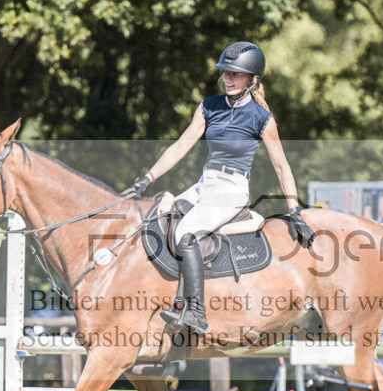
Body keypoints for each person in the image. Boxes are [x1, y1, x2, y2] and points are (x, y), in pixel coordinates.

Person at [129, 41, 315, 335]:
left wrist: (295, 211)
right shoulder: (209, 106)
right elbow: (181, 145)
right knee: (159, 221)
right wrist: (148, 177)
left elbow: (281, 166)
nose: (228, 79)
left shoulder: (262, 119)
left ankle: (197, 314)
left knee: (187, 233)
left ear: (252, 80)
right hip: (206, 183)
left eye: (236, 75)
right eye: (226, 73)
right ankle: (167, 299)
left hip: (232, 188)